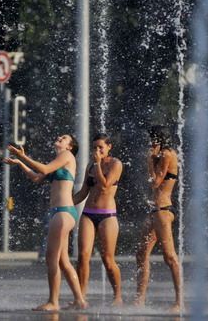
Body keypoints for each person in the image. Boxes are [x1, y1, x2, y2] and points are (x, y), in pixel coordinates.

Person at [2, 135, 87, 311]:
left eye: (64, 138)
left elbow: (45, 170)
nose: (59, 138)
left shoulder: (67, 156)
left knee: (51, 258)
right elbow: (38, 178)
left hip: (63, 212)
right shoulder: (59, 159)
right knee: (63, 261)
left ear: (70, 147)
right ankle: (80, 301)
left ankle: (53, 302)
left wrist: (23, 156)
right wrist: (20, 163)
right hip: (60, 212)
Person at [134, 125, 182, 312]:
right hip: (156, 210)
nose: (149, 142)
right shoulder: (161, 154)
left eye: (151, 139)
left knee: (169, 256)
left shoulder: (166, 154)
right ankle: (140, 299)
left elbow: (155, 182)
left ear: (159, 139)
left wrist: (148, 160)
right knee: (141, 253)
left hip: (163, 210)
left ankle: (179, 302)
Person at [72, 133, 123, 306]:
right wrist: (64, 204)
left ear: (109, 147)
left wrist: (98, 164)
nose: (97, 150)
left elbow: (105, 185)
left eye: (101, 147)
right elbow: (83, 192)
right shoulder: (91, 165)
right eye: (94, 147)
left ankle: (117, 297)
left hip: (107, 216)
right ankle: (81, 298)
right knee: (82, 256)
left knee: (107, 259)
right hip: (88, 213)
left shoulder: (116, 164)